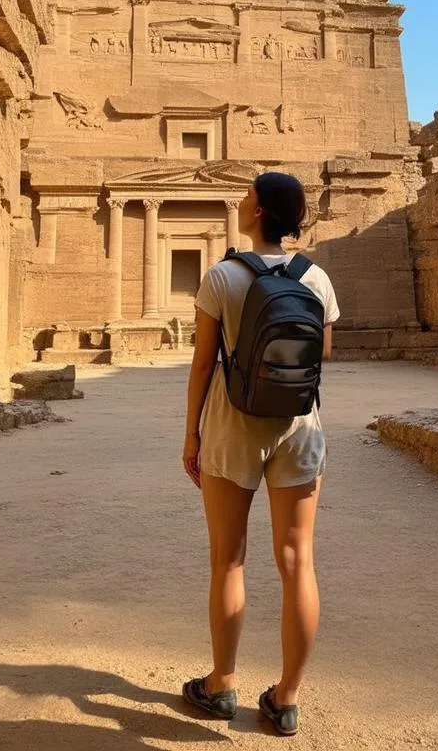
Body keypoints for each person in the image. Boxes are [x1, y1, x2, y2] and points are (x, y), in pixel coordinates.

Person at [181, 172, 339, 737]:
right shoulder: (316, 277)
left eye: (248, 197)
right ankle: (287, 699)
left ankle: (222, 684)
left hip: (232, 422)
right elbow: (322, 352)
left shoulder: (222, 276)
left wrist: (192, 433)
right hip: (299, 424)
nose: (242, 203)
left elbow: (204, 363)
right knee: (298, 561)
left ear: (258, 212)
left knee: (228, 558)